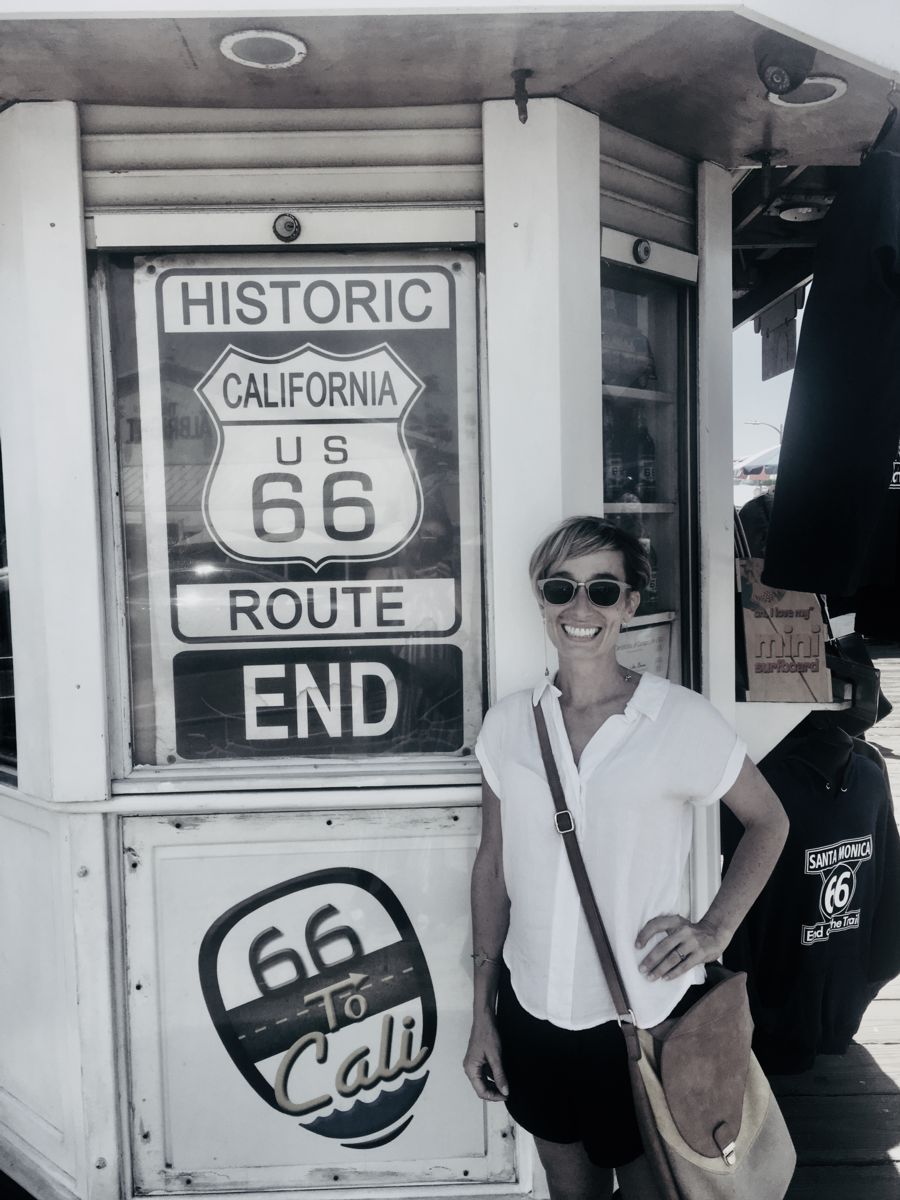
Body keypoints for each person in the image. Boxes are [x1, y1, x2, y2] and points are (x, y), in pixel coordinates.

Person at [463, 515, 789, 1200]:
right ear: (543, 600)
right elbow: (493, 866)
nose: (581, 609)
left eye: (603, 591)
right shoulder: (508, 725)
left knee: (654, 1192)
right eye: (562, 588)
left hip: (646, 1019)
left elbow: (768, 821)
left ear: (630, 604)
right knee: (570, 1189)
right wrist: (482, 1012)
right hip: (531, 1014)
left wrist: (716, 929)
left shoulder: (680, 720)